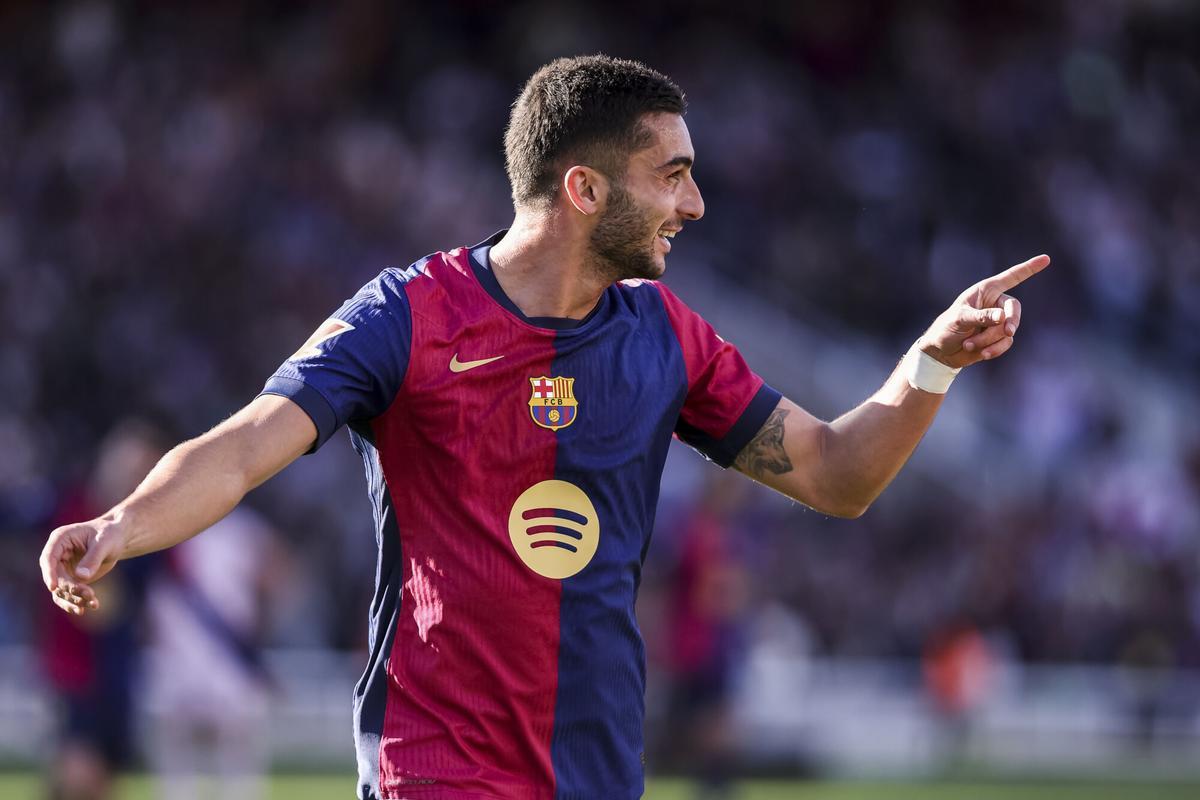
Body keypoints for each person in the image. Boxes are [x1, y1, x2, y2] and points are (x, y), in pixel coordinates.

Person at [39, 55, 1049, 800]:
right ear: (582, 188)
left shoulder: (667, 334)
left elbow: (836, 473)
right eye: (673, 174)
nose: (694, 203)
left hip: (597, 771)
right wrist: (121, 524)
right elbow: (247, 442)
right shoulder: (409, 315)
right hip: (434, 768)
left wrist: (931, 362)